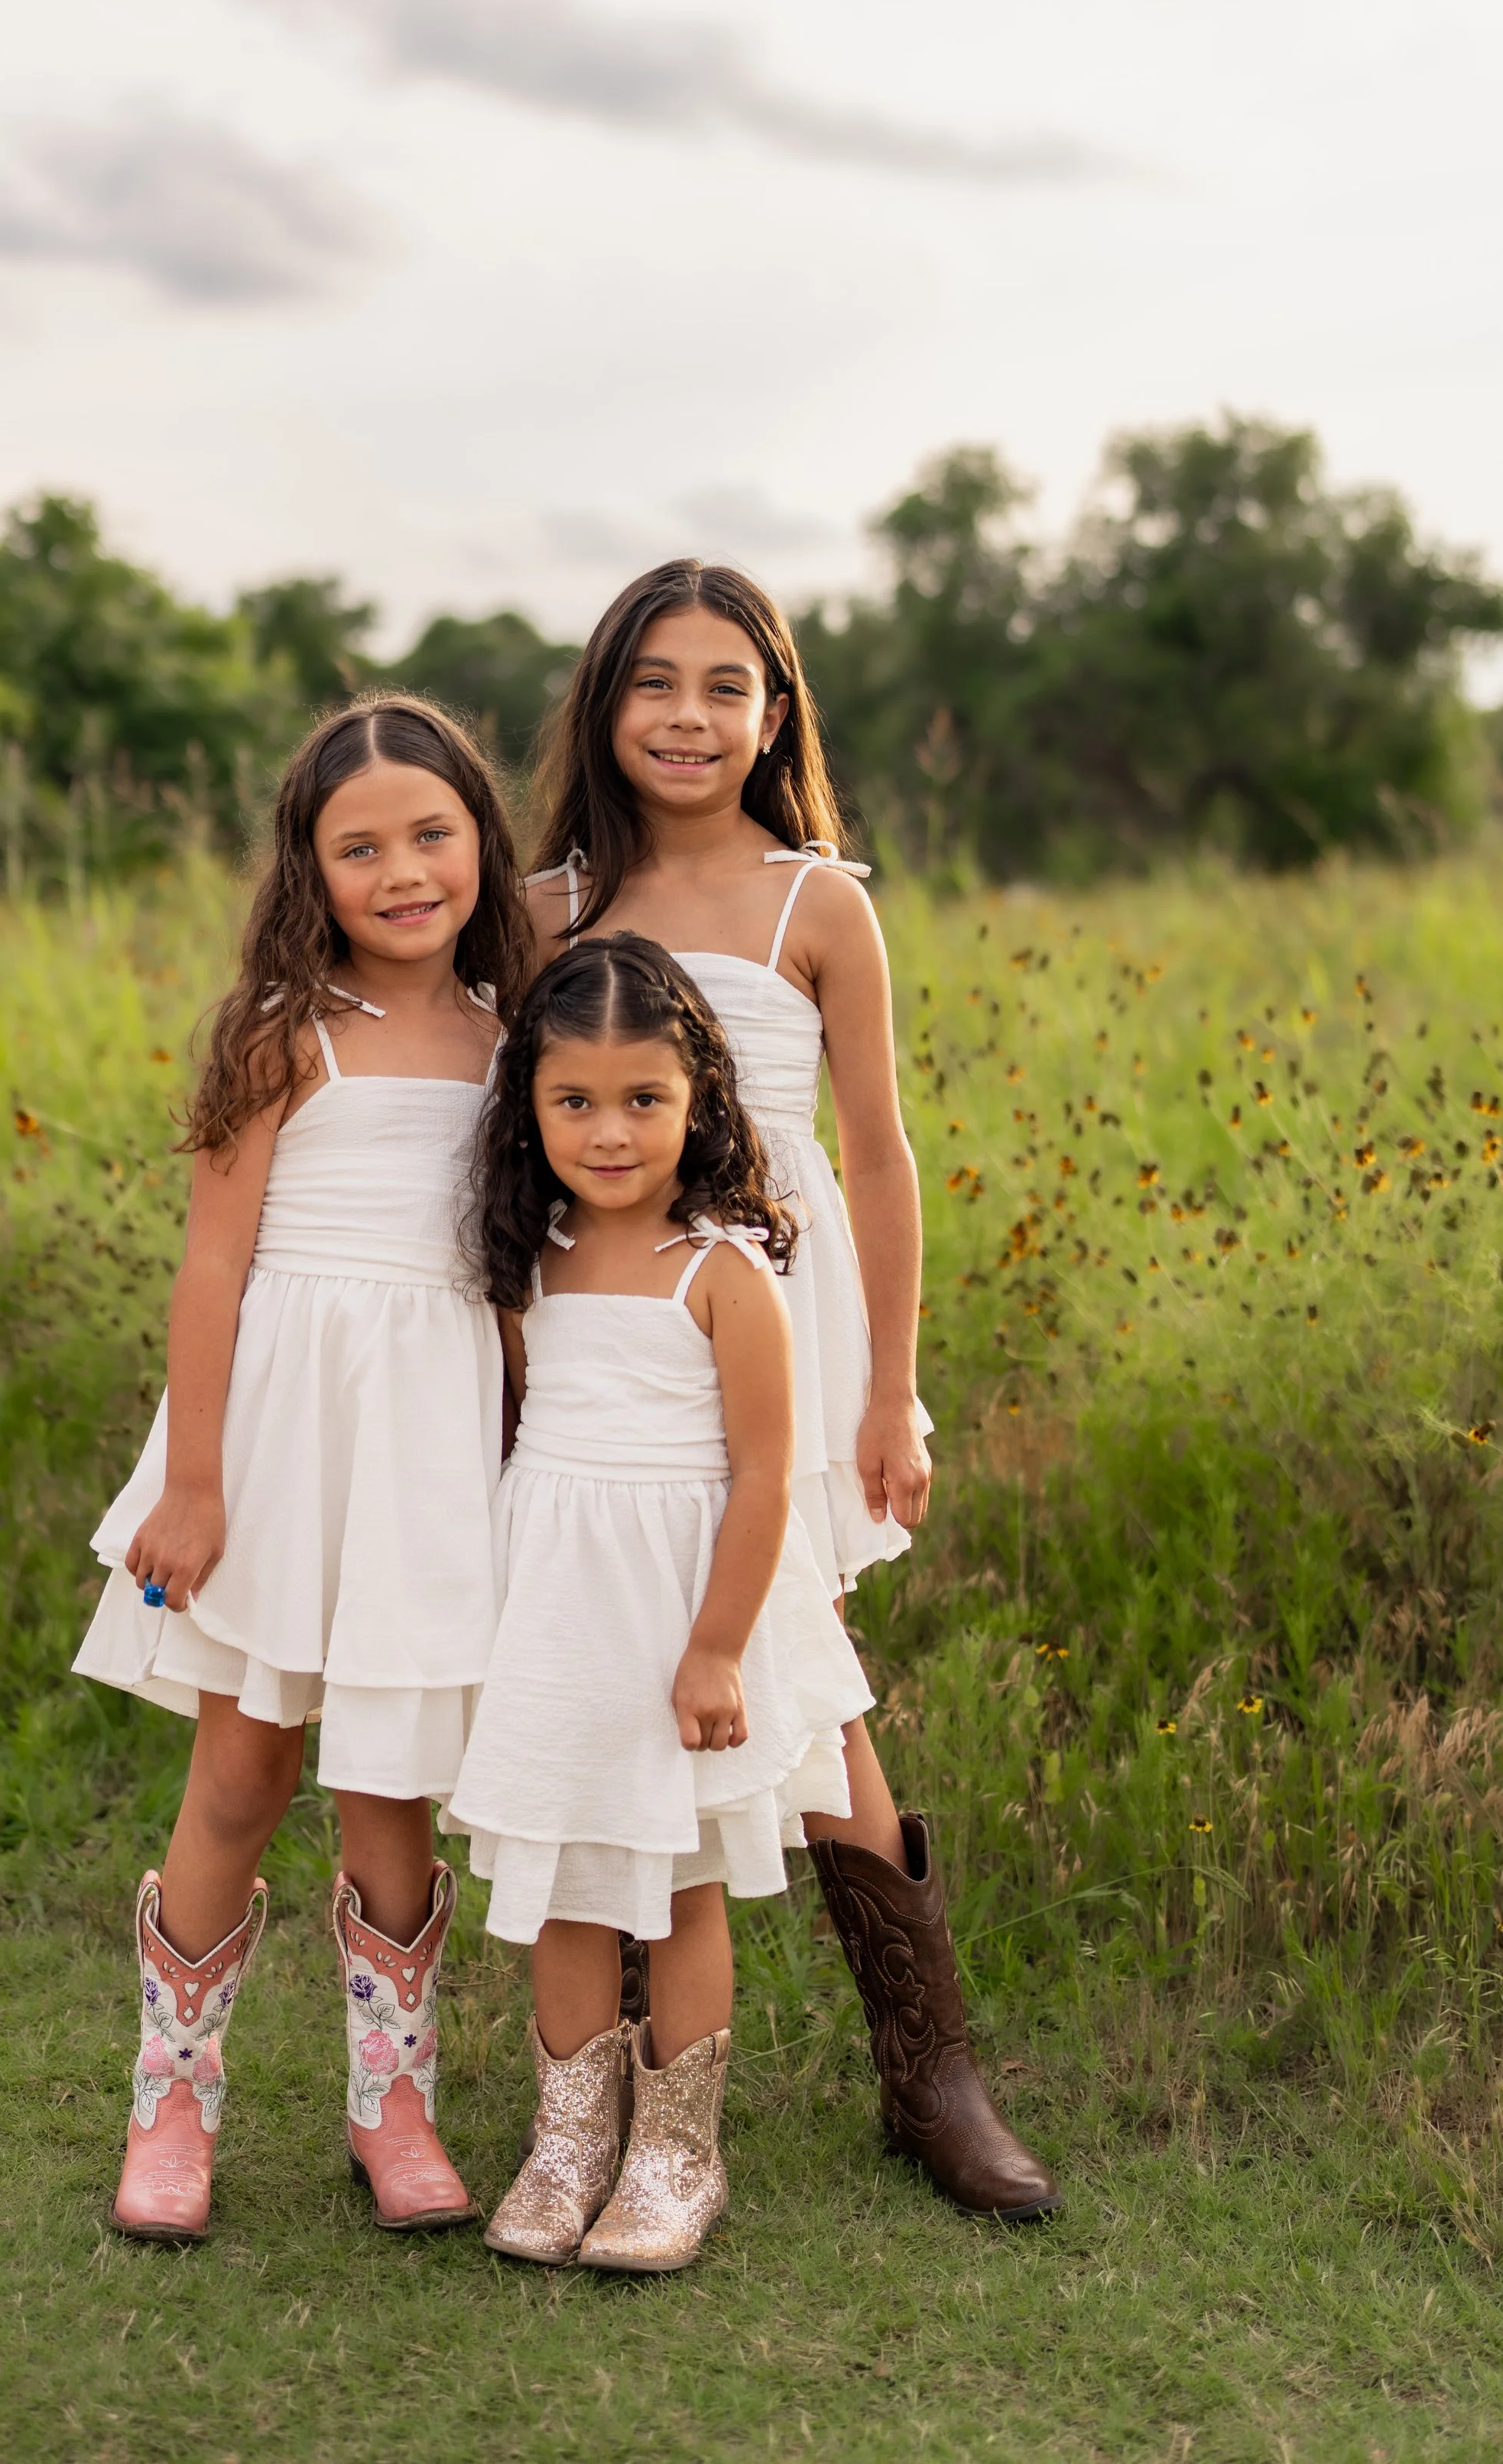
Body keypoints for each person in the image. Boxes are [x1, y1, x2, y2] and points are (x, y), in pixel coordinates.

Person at [526, 562, 1058, 2222]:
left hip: (780, 1315)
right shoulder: (545, 908)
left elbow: (880, 1157)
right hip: (608, 1333)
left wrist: (888, 1391)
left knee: (794, 1665)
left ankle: (931, 2072)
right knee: (619, 1656)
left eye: (725, 687)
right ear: (606, 704)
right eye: (655, 684)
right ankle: (609, 2083)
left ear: (773, 715)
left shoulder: (814, 901)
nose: (689, 719)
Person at [73, 695, 530, 2243]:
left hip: (428, 1435)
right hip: (276, 1428)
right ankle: (171, 2103)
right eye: (360, 848)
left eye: (429, 835)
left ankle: (388, 2102)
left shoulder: (514, 1032)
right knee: (243, 1767)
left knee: (390, 1776)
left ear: (480, 840)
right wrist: (190, 1484)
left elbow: (521, 1270)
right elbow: (212, 1266)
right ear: (308, 869)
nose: (402, 871)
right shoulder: (283, 1032)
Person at [447, 934, 871, 2272]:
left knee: (683, 1884)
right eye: (575, 1101)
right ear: (531, 1105)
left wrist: (716, 1649)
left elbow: (761, 1482)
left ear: (701, 1102)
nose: (611, 1131)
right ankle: (570, 2135)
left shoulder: (727, 1272)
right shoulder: (539, 1259)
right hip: (563, 1612)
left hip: (686, 1609)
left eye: (645, 1099)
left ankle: (677, 2149)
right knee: (570, 1879)